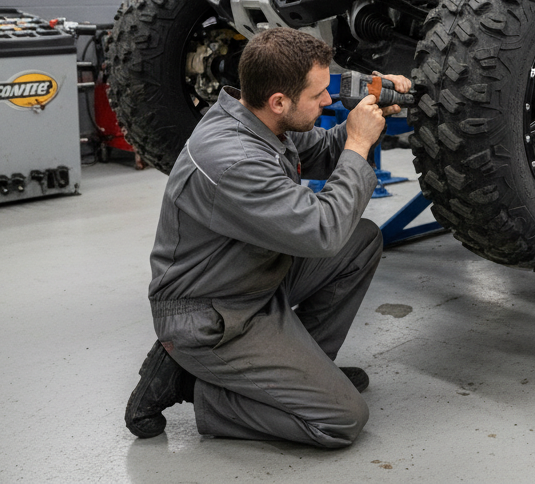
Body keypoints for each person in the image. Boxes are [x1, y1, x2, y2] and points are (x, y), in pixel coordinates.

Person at [123, 27, 410, 447]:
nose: (327, 101)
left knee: (361, 240)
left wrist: (377, 115)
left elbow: (328, 152)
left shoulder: (261, 118)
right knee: (341, 421)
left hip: (248, 275)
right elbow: (323, 231)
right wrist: (358, 145)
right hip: (212, 313)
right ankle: (195, 387)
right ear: (279, 100)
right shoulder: (234, 160)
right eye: (318, 96)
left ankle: (309, 375)